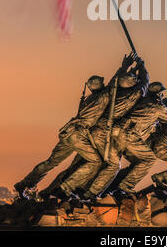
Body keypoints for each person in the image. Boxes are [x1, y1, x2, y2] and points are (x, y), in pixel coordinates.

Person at [14, 54, 135, 197]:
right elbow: (114, 84)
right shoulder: (101, 97)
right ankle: (65, 188)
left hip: (68, 132)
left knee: (50, 162)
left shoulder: (88, 99)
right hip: (78, 135)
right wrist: (124, 66)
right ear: (100, 86)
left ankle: (24, 184)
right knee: (95, 162)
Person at [58, 55, 149, 202]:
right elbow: (144, 83)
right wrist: (142, 67)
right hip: (103, 133)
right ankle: (88, 193)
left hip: (96, 131)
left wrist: (129, 67)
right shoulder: (132, 95)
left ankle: (78, 189)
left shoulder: (113, 92)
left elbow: (115, 81)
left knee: (99, 162)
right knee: (113, 165)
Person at [103, 81, 167, 198]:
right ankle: (126, 185)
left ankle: (114, 184)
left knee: (137, 162)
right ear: (158, 94)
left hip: (119, 133)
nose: (162, 96)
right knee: (149, 159)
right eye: (161, 93)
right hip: (129, 135)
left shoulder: (143, 101)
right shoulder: (157, 107)